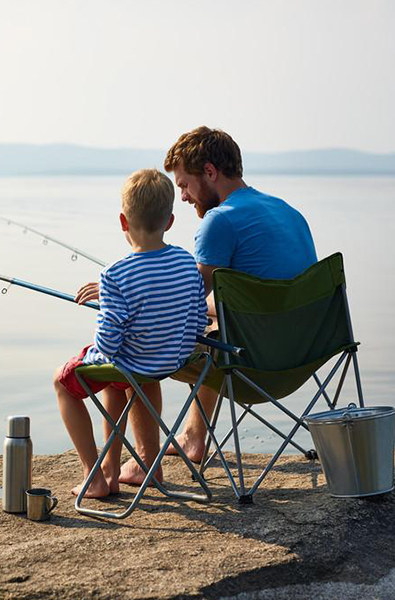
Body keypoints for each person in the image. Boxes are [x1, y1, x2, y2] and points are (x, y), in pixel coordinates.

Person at [79, 127, 318, 485]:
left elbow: (182, 301)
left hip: (254, 362)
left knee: (137, 345)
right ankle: (193, 435)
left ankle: (146, 461)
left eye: (185, 185)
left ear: (210, 172)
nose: (186, 197)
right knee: (213, 327)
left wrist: (124, 292)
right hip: (306, 350)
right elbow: (227, 300)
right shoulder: (287, 210)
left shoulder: (219, 221)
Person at [55, 168, 208, 499]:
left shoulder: (114, 274)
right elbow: (198, 322)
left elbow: (108, 344)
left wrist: (105, 319)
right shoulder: (186, 263)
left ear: (123, 222)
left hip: (133, 364)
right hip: (174, 360)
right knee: (122, 380)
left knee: (62, 382)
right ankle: (128, 469)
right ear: (169, 221)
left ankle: (92, 474)